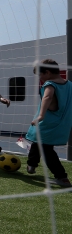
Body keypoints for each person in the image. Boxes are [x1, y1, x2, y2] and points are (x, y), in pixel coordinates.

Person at [24, 59, 72, 187]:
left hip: (48, 122)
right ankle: (31, 165)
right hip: (62, 123)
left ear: (47, 72)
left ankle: (62, 177)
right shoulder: (70, 85)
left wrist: (41, 116)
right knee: (37, 141)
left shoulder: (50, 84)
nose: (40, 78)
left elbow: (47, 97)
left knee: (46, 150)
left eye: (40, 75)